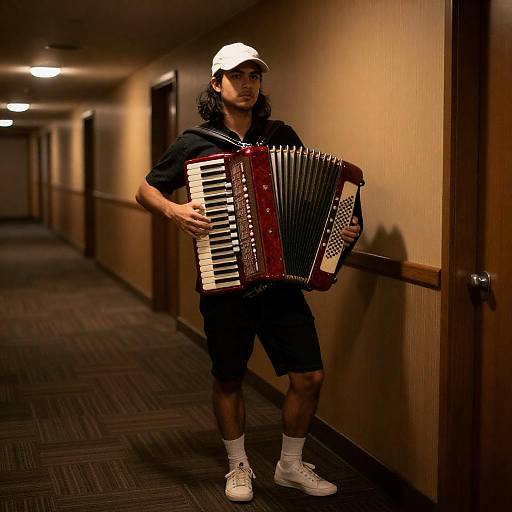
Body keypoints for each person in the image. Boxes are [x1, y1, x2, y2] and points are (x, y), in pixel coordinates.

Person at [136, 42, 361, 503]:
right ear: (216, 84)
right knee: (229, 376)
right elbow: (144, 189)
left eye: (254, 75)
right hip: (225, 283)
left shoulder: (282, 136)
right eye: (236, 75)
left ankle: (290, 465)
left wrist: (341, 225)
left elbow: (311, 197)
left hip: (279, 284)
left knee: (309, 376)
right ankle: (238, 465)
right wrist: (174, 211)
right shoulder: (194, 142)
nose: (247, 83)